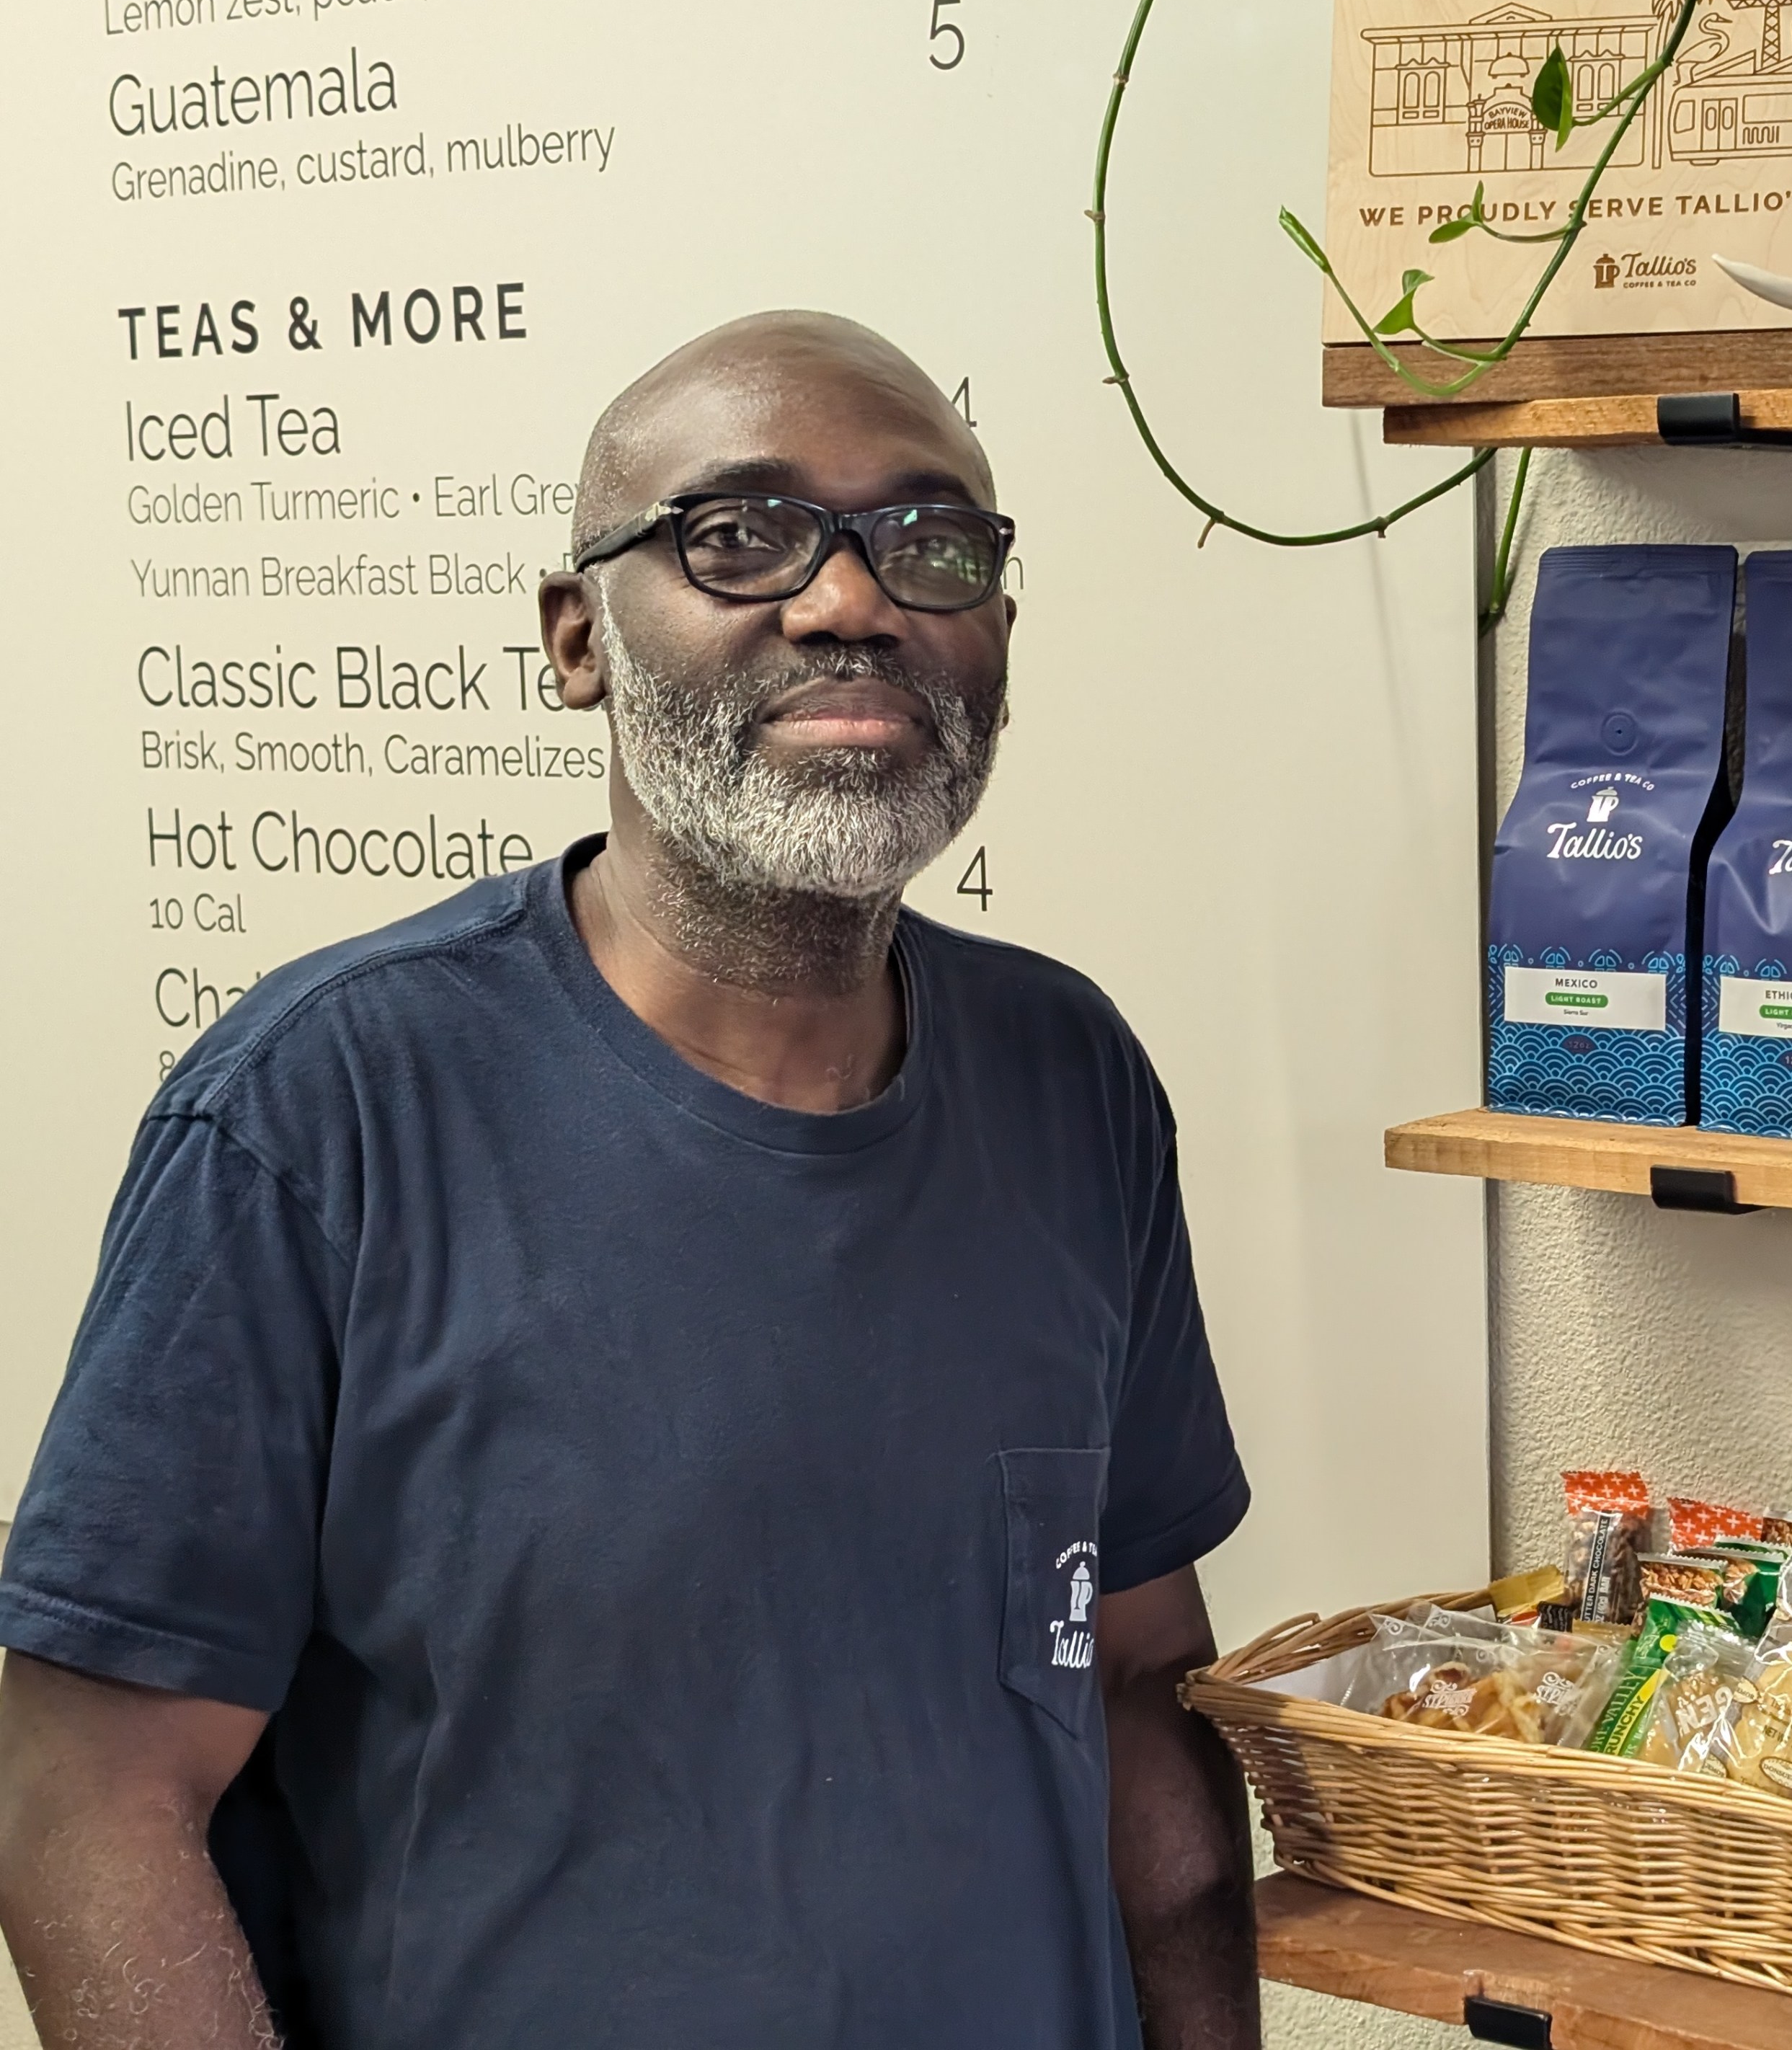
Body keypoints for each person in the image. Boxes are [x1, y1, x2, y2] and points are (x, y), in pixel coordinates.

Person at [0, 313, 1259, 2049]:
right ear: (578, 638)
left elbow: (1131, 1680)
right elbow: (88, 1794)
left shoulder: (1075, 1081)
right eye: (737, 536)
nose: (851, 602)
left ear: (996, 635)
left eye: (931, 542)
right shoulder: (317, 1116)